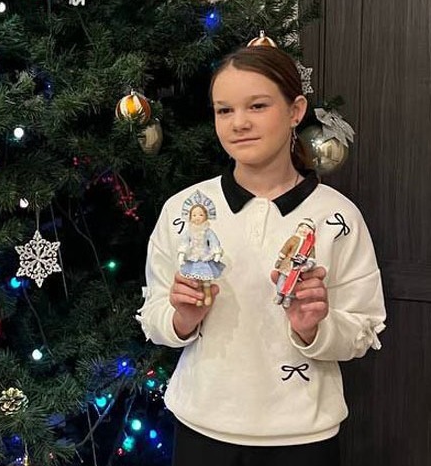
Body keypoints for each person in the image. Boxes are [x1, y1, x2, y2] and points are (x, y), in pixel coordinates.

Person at [136, 45, 386, 466]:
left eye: (257, 106)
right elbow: (154, 316)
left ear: (295, 110)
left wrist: (314, 328)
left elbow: (364, 328)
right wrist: (182, 319)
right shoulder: (185, 210)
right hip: (203, 428)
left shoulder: (337, 217)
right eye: (224, 110)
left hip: (303, 435)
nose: (239, 123)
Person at [177, 198, 225, 307]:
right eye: (194, 215)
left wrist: (216, 253)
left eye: (200, 214)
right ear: (190, 217)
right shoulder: (189, 232)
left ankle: (207, 295)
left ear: (205, 216)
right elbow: (184, 243)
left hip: (205, 257)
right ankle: (198, 297)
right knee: (195, 279)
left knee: (206, 279)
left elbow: (213, 241)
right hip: (193, 257)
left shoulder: (208, 231)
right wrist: (182, 254)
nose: (197, 217)